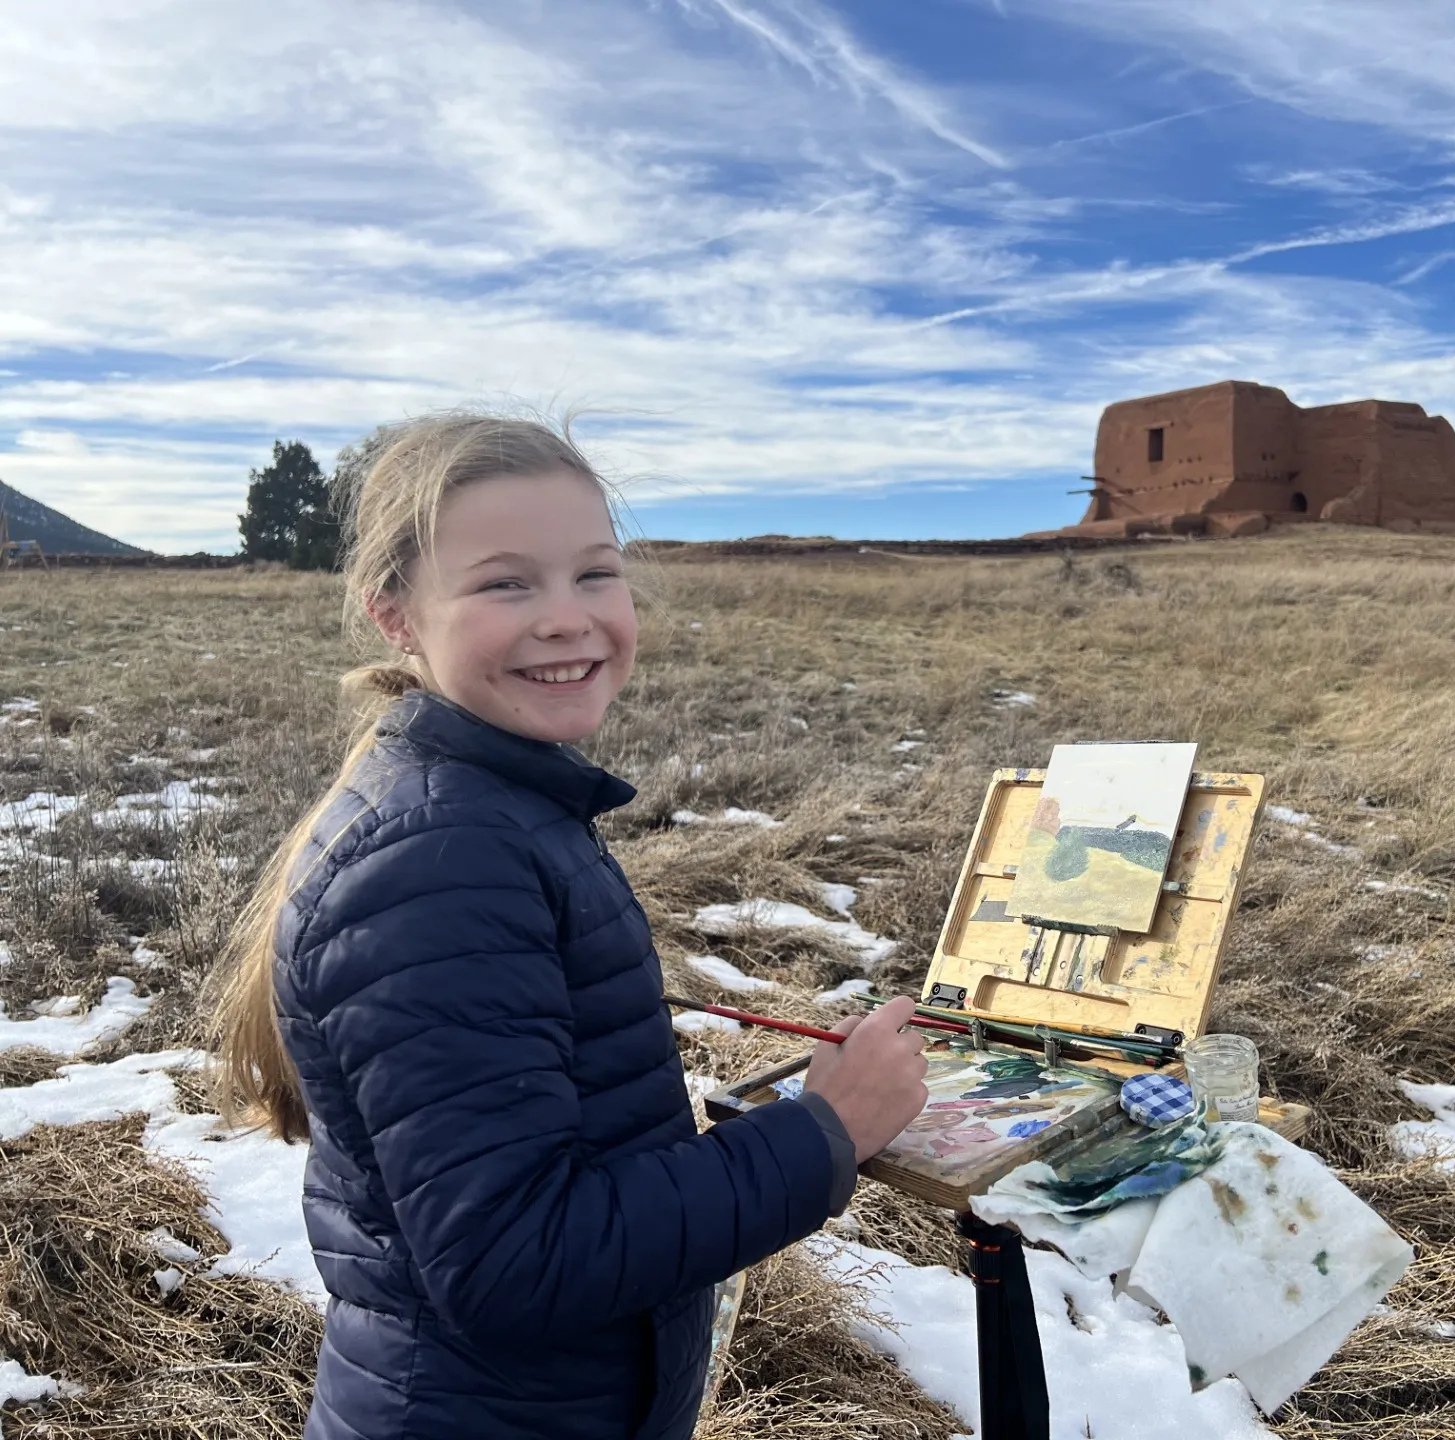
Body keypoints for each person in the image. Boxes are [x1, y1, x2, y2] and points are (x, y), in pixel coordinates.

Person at [211, 413, 930, 1440]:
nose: (569, 618)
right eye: (507, 583)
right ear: (395, 616)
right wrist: (824, 1134)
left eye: (595, 573)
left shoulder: (491, 805)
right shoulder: (436, 859)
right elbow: (516, 1262)